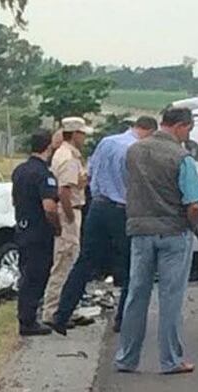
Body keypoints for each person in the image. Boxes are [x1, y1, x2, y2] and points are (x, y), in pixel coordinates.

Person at [46, 116, 158, 334]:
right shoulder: (138, 150)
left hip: (98, 207)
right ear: (149, 131)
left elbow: (89, 174)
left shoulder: (107, 142)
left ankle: (61, 314)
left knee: (85, 262)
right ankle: (123, 319)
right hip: (121, 210)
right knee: (130, 265)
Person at [114, 107, 198, 375]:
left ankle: (127, 358)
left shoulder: (134, 151)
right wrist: (193, 225)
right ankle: (170, 360)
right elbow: (194, 204)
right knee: (170, 298)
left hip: (140, 230)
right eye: (189, 129)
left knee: (136, 295)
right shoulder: (182, 157)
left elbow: (128, 186)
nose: (188, 134)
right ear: (180, 126)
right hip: (174, 232)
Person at [12, 129, 61, 336]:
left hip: (22, 227)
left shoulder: (20, 170)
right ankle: (28, 321)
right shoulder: (44, 174)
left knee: (27, 274)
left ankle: (26, 316)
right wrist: (57, 226)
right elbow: (49, 206)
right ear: (48, 147)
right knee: (37, 274)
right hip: (39, 231)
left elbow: (15, 199)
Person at [42, 118, 91, 326]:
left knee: (69, 260)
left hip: (71, 210)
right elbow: (64, 190)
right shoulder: (69, 157)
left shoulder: (66, 154)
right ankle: (53, 311)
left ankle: (65, 307)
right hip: (69, 211)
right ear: (75, 134)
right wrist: (70, 217)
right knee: (65, 261)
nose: (85, 138)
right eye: (83, 134)